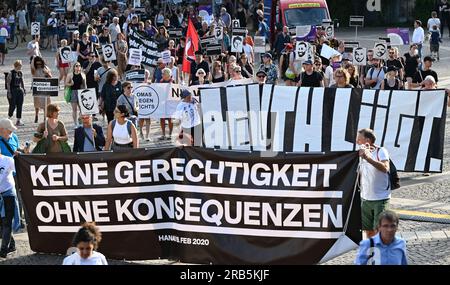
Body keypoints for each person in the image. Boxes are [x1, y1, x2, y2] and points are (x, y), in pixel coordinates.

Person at [357, 128, 391, 239]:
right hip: (366, 198)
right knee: (368, 231)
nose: (357, 142)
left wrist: (368, 158)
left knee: (379, 230)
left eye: (359, 139)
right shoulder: (360, 154)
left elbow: (385, 168)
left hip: (380, 198)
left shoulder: (381, 151)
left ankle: (380, 254)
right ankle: (372, 252)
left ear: (367, 140)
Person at [0, 142, 19, 258]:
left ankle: (3, 250)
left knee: (7, 222)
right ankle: (12, 245)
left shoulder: (7, 160)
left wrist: (20, 157)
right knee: (2, 224)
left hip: (8, 194)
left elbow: (22, 168)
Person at [31, 56, 52, 123]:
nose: (39, 65)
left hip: (45, 88)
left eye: (40, 64)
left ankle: (44, 118)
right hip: (37, 88)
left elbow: (51, 77)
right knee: (37, 104)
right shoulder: (34, 69)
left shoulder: (46, 68)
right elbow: (32, 67)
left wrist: (47, 73)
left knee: (46, 104)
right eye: (37, 64)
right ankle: (36, 116)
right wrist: (34, 58)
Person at [65, 62, 87, 128]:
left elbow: (85, 85)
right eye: (76, 66)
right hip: (73, 92)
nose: (78, 67)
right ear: (74, 67)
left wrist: (86, 92)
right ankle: (75, 123)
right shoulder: (70, 75)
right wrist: (70, 84)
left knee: (82, 109)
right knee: (74, 110)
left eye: (79, 66)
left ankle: (80, 121)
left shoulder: (83, 75)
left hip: (81, 92)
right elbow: (66, 83)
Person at [6, 60, 25, 126]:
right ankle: (9, 118)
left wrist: (23, 89)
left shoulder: (20, 73)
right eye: (20, 65)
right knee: (12, 105)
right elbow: (8, 83)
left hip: (19, 90)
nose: (21, 66)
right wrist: (9, 92)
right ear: (16, 65)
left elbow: (22, 81)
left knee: (20, 105)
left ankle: (18, 120)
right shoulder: (11, 73)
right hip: (12, 90)